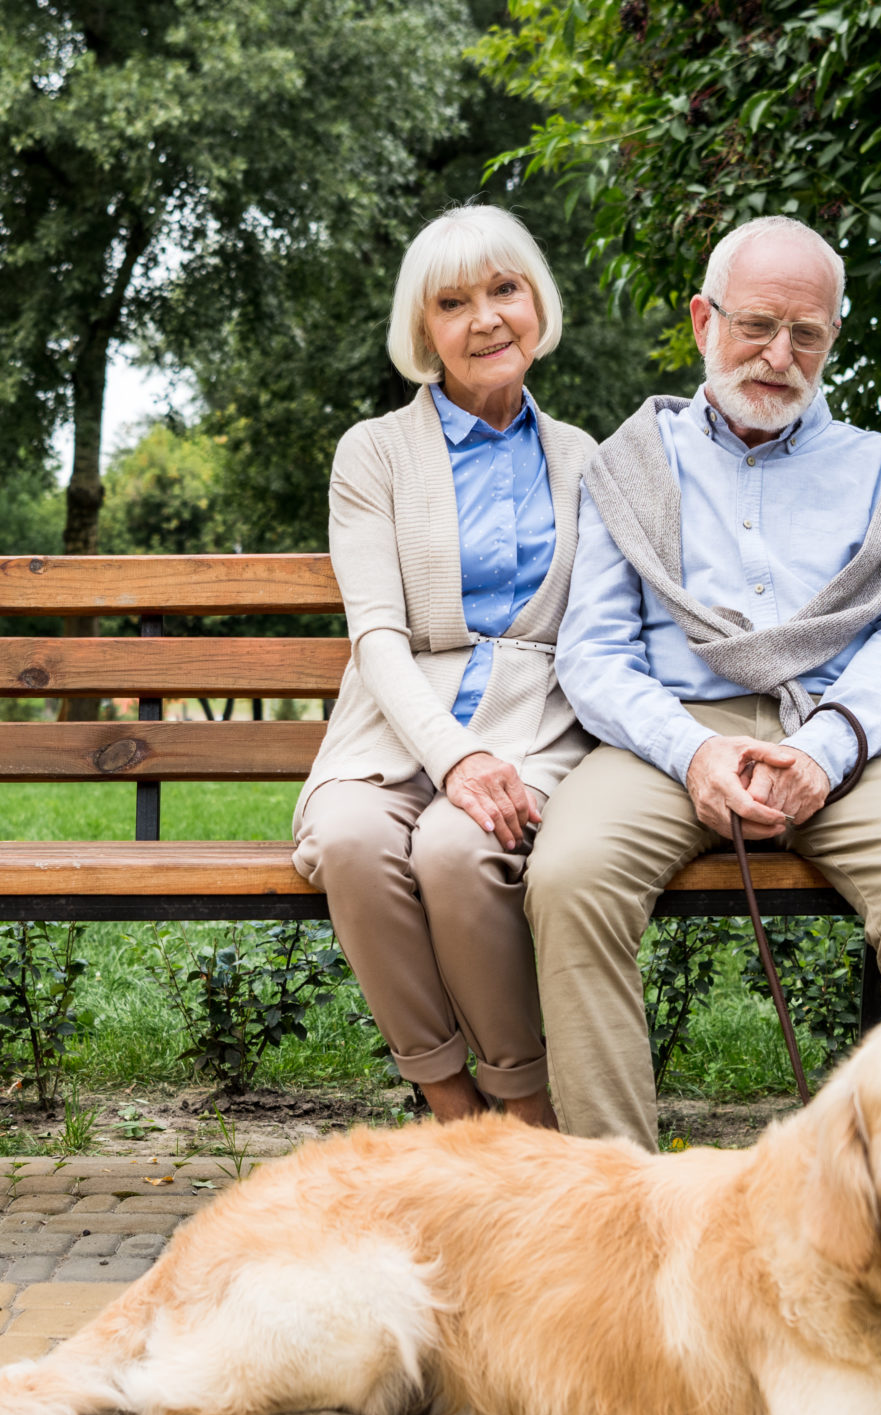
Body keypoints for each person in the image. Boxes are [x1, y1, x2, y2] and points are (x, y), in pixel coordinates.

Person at [527, 214, 881, 1147]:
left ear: (830, 340)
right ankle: (617, 1208)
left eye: (807, 334)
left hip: (847, 730)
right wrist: (693, 751)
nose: (778, 355)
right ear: (704, 320)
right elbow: (594, 651)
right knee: (570, 876)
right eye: (755, 326)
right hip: (669, 735)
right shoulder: (633, 465)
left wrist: (823, 752)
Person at [293, 205, 598, 1129]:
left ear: (536, 302)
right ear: (423, 330)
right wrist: (455, 755)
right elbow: (376, 635)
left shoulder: (587, 457)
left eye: (505, 289)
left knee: (458, 846)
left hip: (537, 731)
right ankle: (456, 1114)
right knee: (351, 839)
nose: (486, 318)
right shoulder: (373, 453)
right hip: (392, 728)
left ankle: (528, 1109)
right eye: (453, 302)